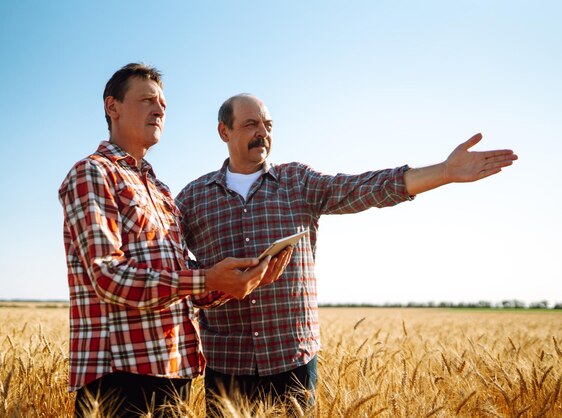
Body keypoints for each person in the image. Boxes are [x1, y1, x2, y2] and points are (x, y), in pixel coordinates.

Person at [175, 93, 518, 414]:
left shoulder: (298, 181)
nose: (262, 133)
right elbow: (172, 262)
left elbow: (364, 187)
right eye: (251, 125)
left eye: (268, 125)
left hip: (291, 358)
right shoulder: (192, 199)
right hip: (228, 363)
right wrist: (211, 285)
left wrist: (443, 172)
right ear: (224, 130)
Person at [58, 68, 290, 418]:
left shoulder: (161, 190)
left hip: (174, 372)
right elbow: (108, 277)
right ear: (113, 107)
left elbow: (182, 278)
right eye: (148, 100)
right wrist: (207, 278)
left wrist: (244, 279)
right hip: (121, 378)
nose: (160, 109)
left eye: (163, 103)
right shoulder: (92, 173)